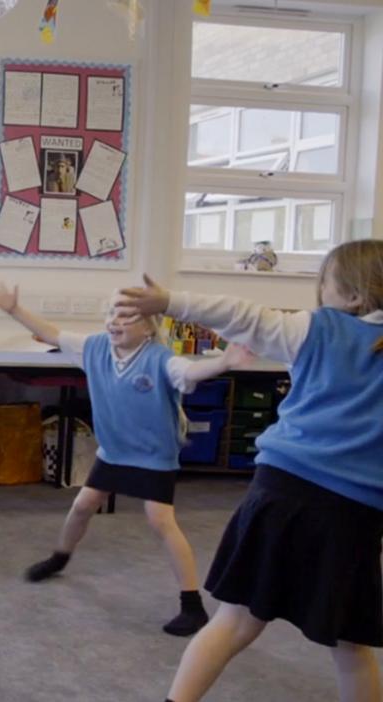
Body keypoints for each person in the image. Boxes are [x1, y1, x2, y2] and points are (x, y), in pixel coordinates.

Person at [113, 241, 383, 702]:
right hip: (356, 512)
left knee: (235, 620)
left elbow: (243, 316)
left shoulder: (317, 329)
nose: (320, 293)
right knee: (351, 644)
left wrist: (170, 301)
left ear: (354, 295)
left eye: (325, 283)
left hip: (285, 492)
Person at [0, 282, 255, 637]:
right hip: (113, 451)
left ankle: (192, 604)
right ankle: (60, 557)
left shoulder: (160, 358)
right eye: (112, 313)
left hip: (153, 456)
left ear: (149, 327)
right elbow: (49, 332)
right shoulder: (93, 348)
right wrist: (13, 309)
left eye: (127, 316)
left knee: (160, 520)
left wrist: (224, 362)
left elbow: (188, 373)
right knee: (83, 505)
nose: (116, 321)